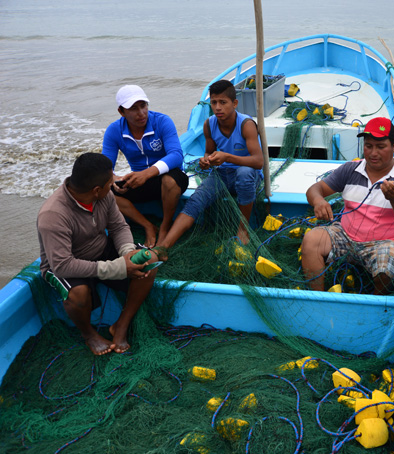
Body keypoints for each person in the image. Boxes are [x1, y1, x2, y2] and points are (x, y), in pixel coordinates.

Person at [37, 153, 160, 355]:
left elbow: (119, 227)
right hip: (66, 264)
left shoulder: (105, 196)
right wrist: (119, 267)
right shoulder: (53, 215)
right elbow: (62, 265)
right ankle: (89, 335)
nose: (113, 184)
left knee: (150, 260)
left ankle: (121, 324)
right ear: (96, 190)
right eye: (110, 182)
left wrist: (128, 254)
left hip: (100, 250)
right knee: (78, 294)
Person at [300, 117, 394, 295]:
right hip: (344, 235)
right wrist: (318, 201)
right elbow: (315, 189)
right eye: (368, 146)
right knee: (311, 240)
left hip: (381, 243)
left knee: (388, 264)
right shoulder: (350, 169)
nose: (373, 153)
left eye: (381, 147)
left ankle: (373, 301)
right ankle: (318, 297)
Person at [157, 79, 263, 248]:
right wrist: (206, 160)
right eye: (214, 102)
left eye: (223, 102)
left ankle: (243, 229)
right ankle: (163, 247)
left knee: (244, 173)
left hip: (249, 176)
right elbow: (209, 151)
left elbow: (258, 161)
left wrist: (227, 157)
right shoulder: (209, 124)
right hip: (223, 174)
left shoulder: (246, 124)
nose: (218, 107)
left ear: (234, 103)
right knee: (195, 200)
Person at [102, 85, 189, 247]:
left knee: (171, 180)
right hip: (139, 181)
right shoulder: (114, 131)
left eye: (143, 106)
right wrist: (113, 179)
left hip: (167, 177)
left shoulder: (162, 121)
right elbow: (104, 166)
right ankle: (148, 226)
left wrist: (146, 174)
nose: (141, 113)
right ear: (121, 112)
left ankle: (165, 227)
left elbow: (176, 155)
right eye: (133, 108)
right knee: (105, 192)